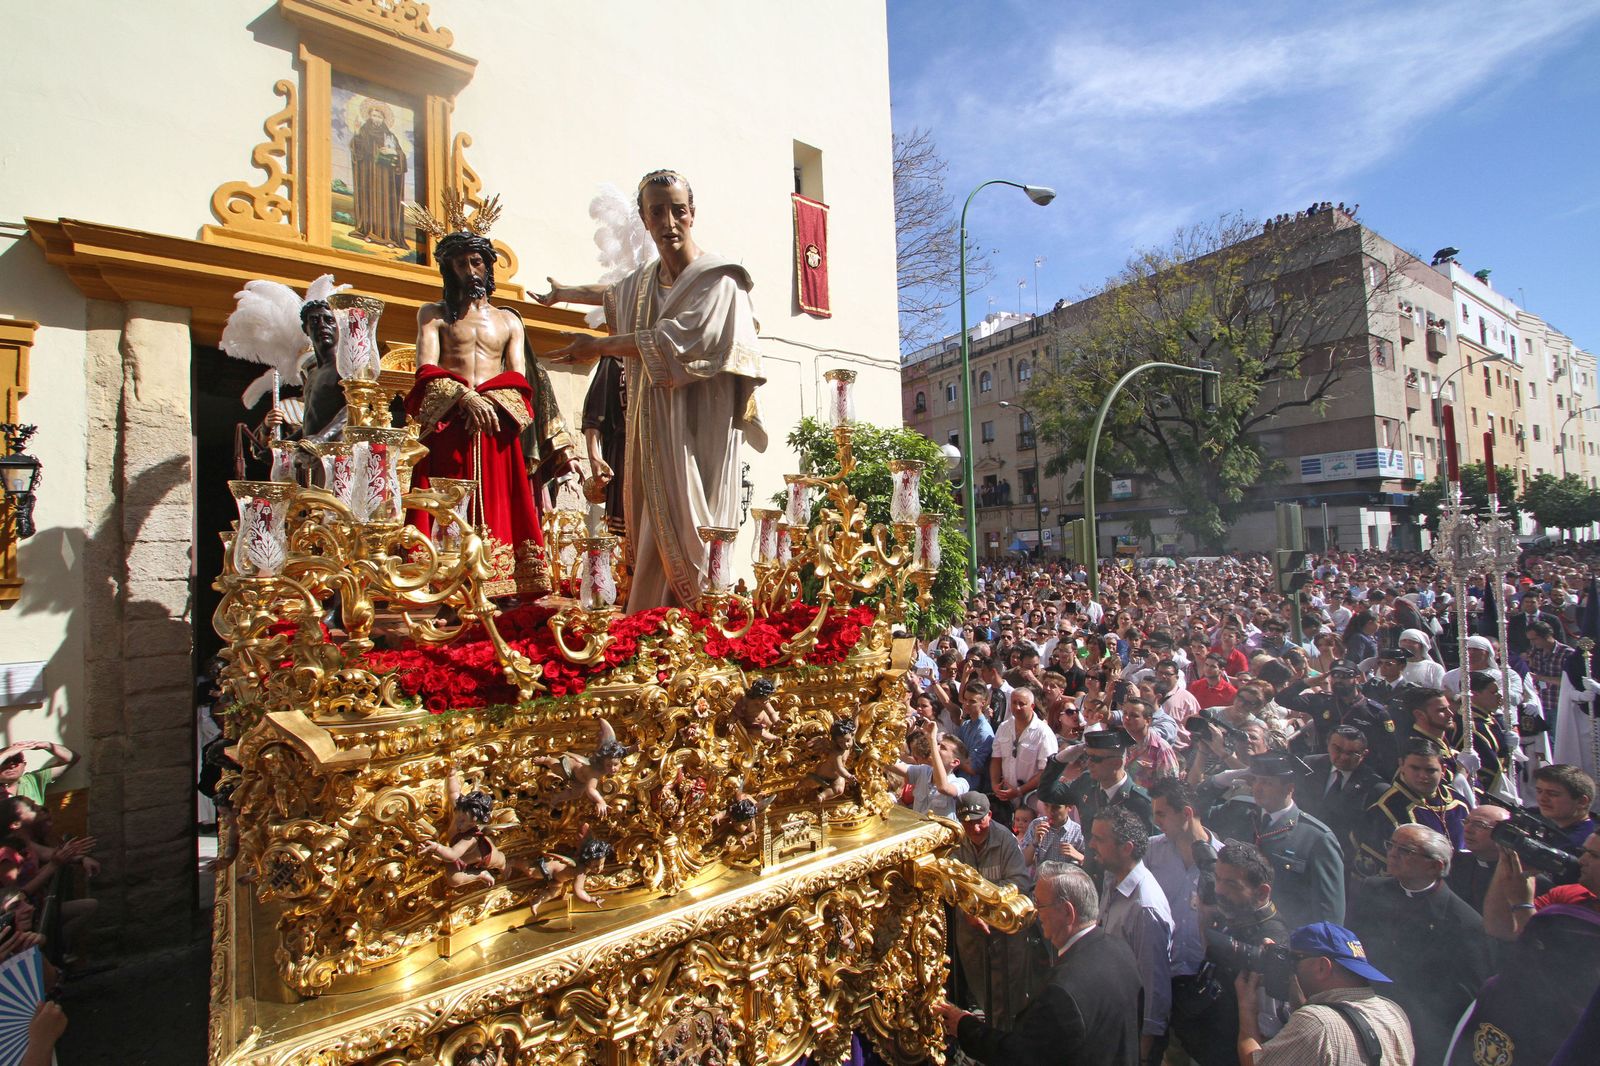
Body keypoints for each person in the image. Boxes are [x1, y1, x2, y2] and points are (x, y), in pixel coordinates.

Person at [542, 170, 766, 610]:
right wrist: (564, 292)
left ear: (692, 214)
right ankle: (651, 618)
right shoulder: (645, 283)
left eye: (677, 210)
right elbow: (614, 293)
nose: (669, 221)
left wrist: (598, 346)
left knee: (696, 519)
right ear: (645, 220)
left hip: (702, 421)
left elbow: (673, 341)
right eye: (657, 212)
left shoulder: (720, 280)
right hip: (654, 417)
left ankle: (703, 608)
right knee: (651, 518)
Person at [409, 223, 554, 597]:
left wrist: (488, 400)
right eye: (460, 264)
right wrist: (464, 397)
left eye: (476, 262)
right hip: (451, 422)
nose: (470, 271)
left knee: (501, 501)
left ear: (488, 267)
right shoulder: (433, 315)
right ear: (449, 270)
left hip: (494, 423)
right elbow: (426, 367)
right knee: (448, 505)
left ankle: (502, 587)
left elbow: (518, 375)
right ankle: (448, 587)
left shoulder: (509, 320)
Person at [935, 862, 1143, 1065]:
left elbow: (1018, 1055)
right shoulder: (1121, 951)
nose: (1035, 912)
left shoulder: (1061, 994)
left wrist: (964, 1026)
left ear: (1067, 912)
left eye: (1041, 904)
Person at [1346, 824, 1492, 1065]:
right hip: (1368, 1010)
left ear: (1436, 865)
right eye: (1391, 845)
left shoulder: (1465, 923)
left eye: (1405, 850)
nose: (1392, 854)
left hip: (1421, 1029)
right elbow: (1353, 943)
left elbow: (1464, 993)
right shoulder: (1373, 889)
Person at [1145, 779, 1236, 1066]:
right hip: (1160, 976)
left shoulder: (1223, 862)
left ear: (1185, 813)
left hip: (1203, 986)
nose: (1156, 821)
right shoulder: (1150, 853)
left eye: (1161, 814)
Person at [1235, 922, 1415, 1066]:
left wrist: (1247, 1010)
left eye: (1295, 960)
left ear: (1322, 967)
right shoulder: (1394, 1013)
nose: (1291, 968)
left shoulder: (1317, 1023)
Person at [1209, 751, 1346, 929]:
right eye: (1255, 780)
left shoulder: (1316, 838)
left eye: (1267, 783)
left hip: (1284, 939)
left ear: (1289, 788)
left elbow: (1329, 914)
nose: (1257, 787)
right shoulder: (1239, 811)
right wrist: (1218, 781)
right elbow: (1193, 812)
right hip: (1234, 930)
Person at [1090, 806, 1175, 1063]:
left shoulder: (1144, 908)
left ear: (1126, 848)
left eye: (1099, 839)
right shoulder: (1111, 879)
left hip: (1133, 1032)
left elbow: (1154, 986)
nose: (1090, 844)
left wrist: (1143, 1048)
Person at [950, 792, 1035, 1025]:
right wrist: (969, 910)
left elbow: (1020, 882)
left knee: (1007, 990)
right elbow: (951, 884)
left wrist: (985, 905)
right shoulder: (956, 842)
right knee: (980, 985)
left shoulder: (1005, 840)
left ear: (989, 815)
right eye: (968, 823)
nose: (975, 828)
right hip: (970, 931)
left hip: (1004, 932)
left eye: (980, 821)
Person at [1359, 739, 1470, 873]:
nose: (1423, 776)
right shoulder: (1384, 811)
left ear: (1443, 770)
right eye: (1415, 768)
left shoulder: (1459, 803)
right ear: (1402, 765)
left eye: (1430, 770)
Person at [1295, 726, 1386, 864]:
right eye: (1337, 749)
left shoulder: (1374, 787)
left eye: (1352, 753)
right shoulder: (1310, 765)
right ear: (1328, 745)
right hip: (1300, 845)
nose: (1343, 757)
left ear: (1364, 754)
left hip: (1340, 857)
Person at [988, 686, 1057, 822]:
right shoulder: (1004, 727)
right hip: (1006, 798)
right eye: (1014, 703)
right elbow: (996, 758)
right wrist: (995, 785)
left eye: (1022, 704)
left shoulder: (1043, 732)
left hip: (1031, 799)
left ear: (1031, 706)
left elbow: (1047, 770)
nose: (1017, 707)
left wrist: (1020, 790)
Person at [346, 101, 409, 249]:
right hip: (368, 175)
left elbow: (401, 155)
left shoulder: (390, 136)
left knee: (386, 205)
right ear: (369, 116)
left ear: (384, 119)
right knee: (370, 202)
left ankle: (388, 237)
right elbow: (356, 149)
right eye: (374, 115)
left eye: (379, 117)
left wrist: (393, 152)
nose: (376, 119)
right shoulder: (363, 132)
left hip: (387, 180)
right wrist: (356, 136)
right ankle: (367, 232)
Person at [1449, 803, 1511, 913]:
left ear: (1504, 833)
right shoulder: (1453, 863)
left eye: (1479, 825)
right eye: (1466, 822)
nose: (1467, 829)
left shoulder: (1521, 874)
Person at [1531, 763, 1597, 851]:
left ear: (1582, 801)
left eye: (1552, 794)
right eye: (1539, 791)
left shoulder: (1580, 842)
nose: (1542, 799)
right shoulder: (1556, 832)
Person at [0, 741, 78, 803]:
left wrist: (47, 746)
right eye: (5, 761)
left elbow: (71, 759)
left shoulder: (32, 780)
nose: (11, 765)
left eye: (16, 760)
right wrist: (7, 753)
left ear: (24, 765)